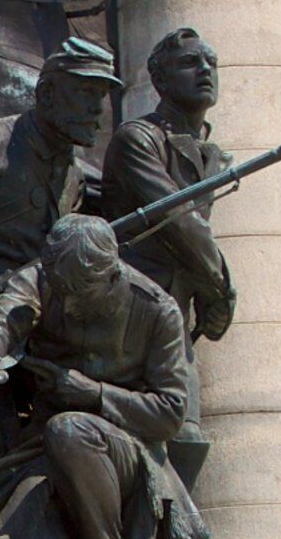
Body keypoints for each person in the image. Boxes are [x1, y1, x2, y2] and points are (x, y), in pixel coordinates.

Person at [0, 217, 254, 539]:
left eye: (79, 292)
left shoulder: (158, 310)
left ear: (112, 275)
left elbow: (171, 412)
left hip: (127, 454)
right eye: (60, 288)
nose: (65, 303)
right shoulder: (43, 278)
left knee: (69, 429)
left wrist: (95, 395)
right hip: (44, 454)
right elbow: (2, 319)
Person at [0, 39, 122, 303]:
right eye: (86, 91)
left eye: (101, 95)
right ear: (46, 93)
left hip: (26, 308)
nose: (98, 108)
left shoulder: (73, 175)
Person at [87, 27, 237, 343]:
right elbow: (178, 218)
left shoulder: (216, 158)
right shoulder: (138, 138)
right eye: (189, 62)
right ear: (161, 80)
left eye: (211, 62)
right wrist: (220, 287)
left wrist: (208, 298)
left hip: (172, 311)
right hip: (129, 306)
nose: (205, 69)